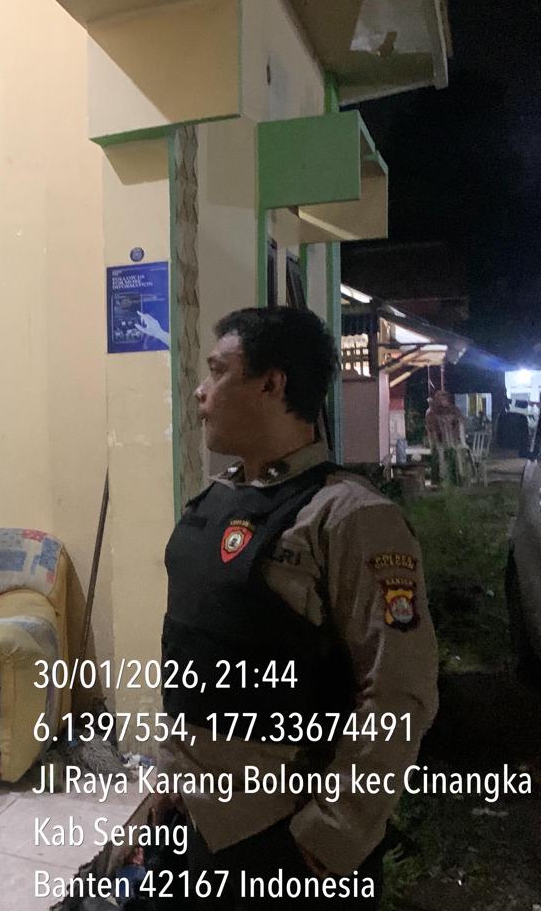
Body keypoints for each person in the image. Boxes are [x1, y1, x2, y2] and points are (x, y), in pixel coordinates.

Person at [155, 307, 439, 908]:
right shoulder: (213, 503)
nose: (201, 391)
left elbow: (399, 690)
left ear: (271, 384)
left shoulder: (351, 517)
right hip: (196, 820)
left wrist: (333, 833)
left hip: (286, 840)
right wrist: (171, 781)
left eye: (217, 371)